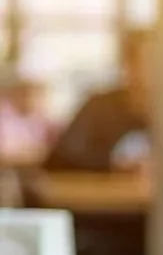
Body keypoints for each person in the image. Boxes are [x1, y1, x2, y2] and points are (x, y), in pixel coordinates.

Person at [43, 28, 152, 173]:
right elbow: (59, 161)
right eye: (144, 61)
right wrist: (113, 165)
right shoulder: (98, 108)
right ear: (128, 65)